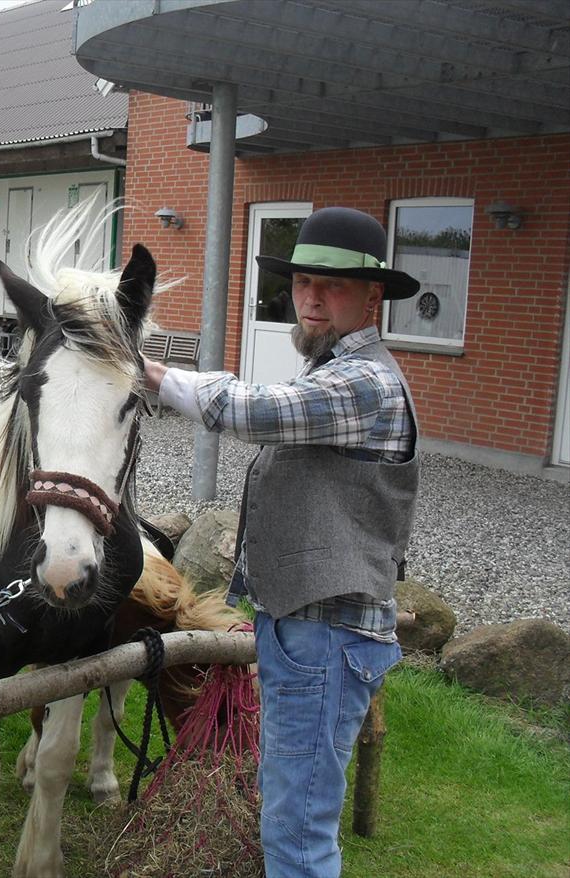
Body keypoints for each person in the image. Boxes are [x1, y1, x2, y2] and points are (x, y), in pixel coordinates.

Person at [143, 206, 422, 878]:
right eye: (301, 282)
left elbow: (253, 410)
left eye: (332, 286)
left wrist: (153, 374)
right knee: (292, 815)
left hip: (325, 635)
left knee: (297, 833)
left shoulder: (364, 382)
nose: (311, 298)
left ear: (372, 298)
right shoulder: (334, 372)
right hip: (307, 631)